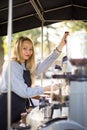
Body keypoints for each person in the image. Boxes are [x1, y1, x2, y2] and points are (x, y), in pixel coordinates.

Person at [0, 32, 69, 130]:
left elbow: (45, 64)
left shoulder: (25, 65)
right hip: (6, 109)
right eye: (24, 48)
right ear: (17, 48)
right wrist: (47, 88)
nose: (28, 52)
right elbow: (24, 92)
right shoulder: (12, 65)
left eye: (30, 49)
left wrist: (61, 45)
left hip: (18, 109)